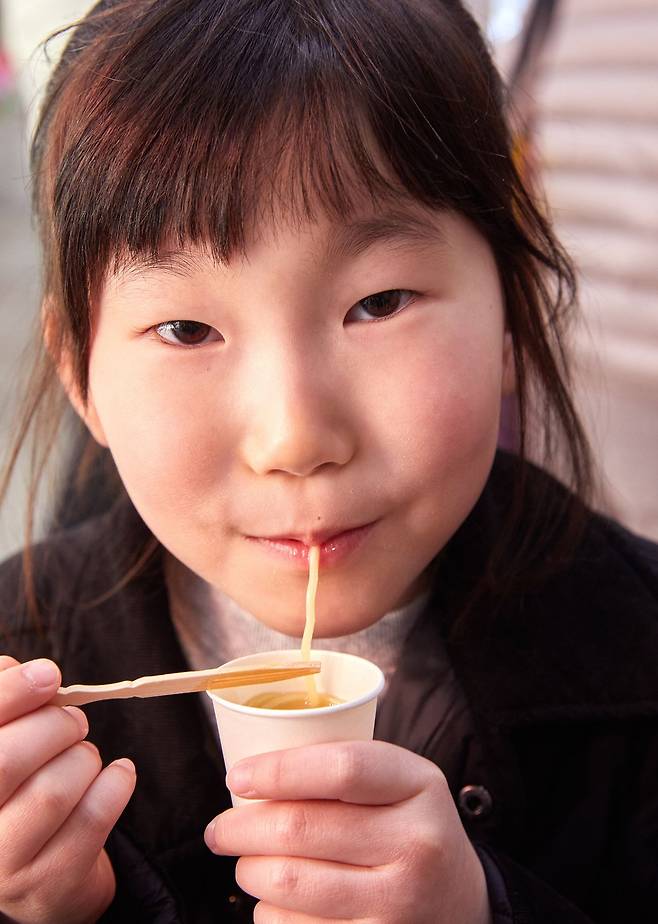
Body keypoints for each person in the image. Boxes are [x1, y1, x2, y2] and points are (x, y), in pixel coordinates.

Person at [0, 1, 656, 922]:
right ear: (79, 372)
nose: (296, 438)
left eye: (379, 303)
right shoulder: (20, 668)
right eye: (187, 328)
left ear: (512, 307)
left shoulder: (637, 648)